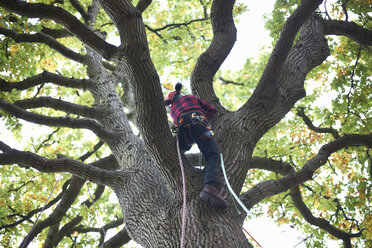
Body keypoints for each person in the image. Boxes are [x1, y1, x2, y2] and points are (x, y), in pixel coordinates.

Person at [165, 83, 228, 208]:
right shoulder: (190, 98)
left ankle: (176, 156)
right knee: (213, 156)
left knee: (181, 148)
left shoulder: (172, 110)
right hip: (198, 122)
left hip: (183, 128)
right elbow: (212, 110)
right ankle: (211, 187)